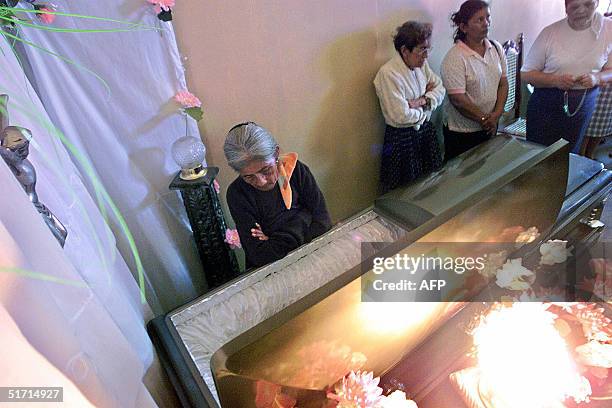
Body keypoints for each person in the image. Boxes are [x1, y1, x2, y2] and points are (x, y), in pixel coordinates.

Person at [224, 122, 332, 268]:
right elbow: (260, 256)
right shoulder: (237, 194)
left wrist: (273, 237)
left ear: (276, 153)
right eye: (249, 177)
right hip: (271, 270)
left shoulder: (296, 171)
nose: (261, 182)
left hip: (312, 256)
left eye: (266, 170)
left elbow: (323, 224)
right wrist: (304, 217)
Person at [521, 0, 611, 153]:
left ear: (597, 3)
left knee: (569, 152)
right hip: (546, 102)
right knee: (537, 152)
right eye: (575, 6)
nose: (582, 11)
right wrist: (555, 80)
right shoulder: (550, 32)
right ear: (566, 8)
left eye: (588, 4)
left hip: (583, 102)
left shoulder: (608, 28)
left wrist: (597, 78)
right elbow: (526, 74)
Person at [373, 21, 446, 193]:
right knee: (404, 192)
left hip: (425, 133)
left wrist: (422, 101)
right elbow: (400, 115)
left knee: (430, 186)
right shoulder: (388, 73)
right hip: (401, 139)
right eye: (421, 49)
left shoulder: (422, 66)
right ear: (405, 50)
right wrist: (426, 111)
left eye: (428, 48)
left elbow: (440, 88)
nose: (426, 55)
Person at [440, 0, 509, 160]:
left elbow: (503, 83)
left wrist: (496, 115)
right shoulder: (455, 58)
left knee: (487, 170)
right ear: (464, 27)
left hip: (490, 126)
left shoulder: (496, 48)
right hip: (462, 133)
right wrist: (485, 119)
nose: (486, 23)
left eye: (488, 17)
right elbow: (458, 100)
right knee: (462, 179)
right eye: (479, 20)